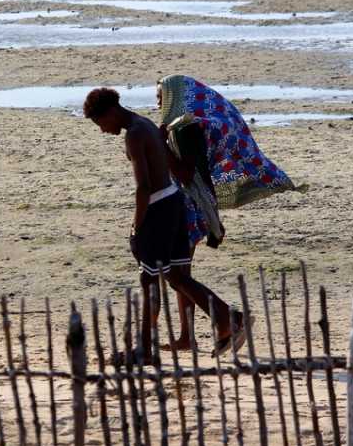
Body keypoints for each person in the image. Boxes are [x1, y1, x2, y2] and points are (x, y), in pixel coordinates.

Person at [83, 86, 245, 355]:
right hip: (174, 203)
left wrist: (137, 226)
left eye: (100, 123)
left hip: (158, 209)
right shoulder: (145, 123)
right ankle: (229, 319)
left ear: (111, 112)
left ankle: (147, 349)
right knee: (177, 276)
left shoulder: (134, 135)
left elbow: (143, 187)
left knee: (150, 279)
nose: (102, 129)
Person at [157, 74, 299, 348]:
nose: (158, 102)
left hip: (190, 204)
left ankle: (228, 320)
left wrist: (161, 146)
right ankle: (188, 336)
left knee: (175, 272)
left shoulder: (187, 129)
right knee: (181, 271)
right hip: (192, 202)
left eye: (161, 95)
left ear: (177, 96)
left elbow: (186, 173)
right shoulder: (181, 126)